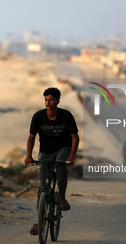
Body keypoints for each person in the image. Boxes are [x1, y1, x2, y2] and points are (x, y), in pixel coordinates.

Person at [24, 87, 79, 236]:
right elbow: (31, 137)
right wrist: (29, 155)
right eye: (46, 100)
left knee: (61, 164)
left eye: (51, 100)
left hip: (63, 148)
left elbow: (74, 137)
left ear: (58, 101)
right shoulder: (38, 116)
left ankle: (61, 196)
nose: (48, 103)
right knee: (42, 187)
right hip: (46, 151)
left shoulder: (66, 116)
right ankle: (39, 219)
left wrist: (72, 156)